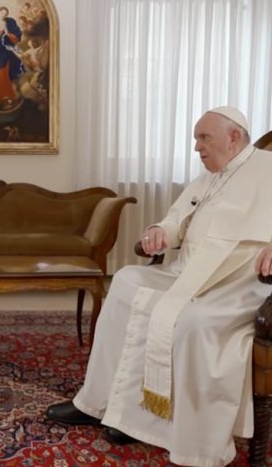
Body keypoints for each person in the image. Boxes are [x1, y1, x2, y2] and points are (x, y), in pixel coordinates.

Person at [46, 106, 272, 466]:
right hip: (185, 273)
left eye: (204, 138)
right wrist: (159, 232)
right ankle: (96, 403)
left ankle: (190, 439)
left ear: (234, 137)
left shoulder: (268, 168)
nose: (197, 147)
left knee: (193, 321)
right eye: (195, 139)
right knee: (125, 282)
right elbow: (176, 220)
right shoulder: (208, 177)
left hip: (237, 285)